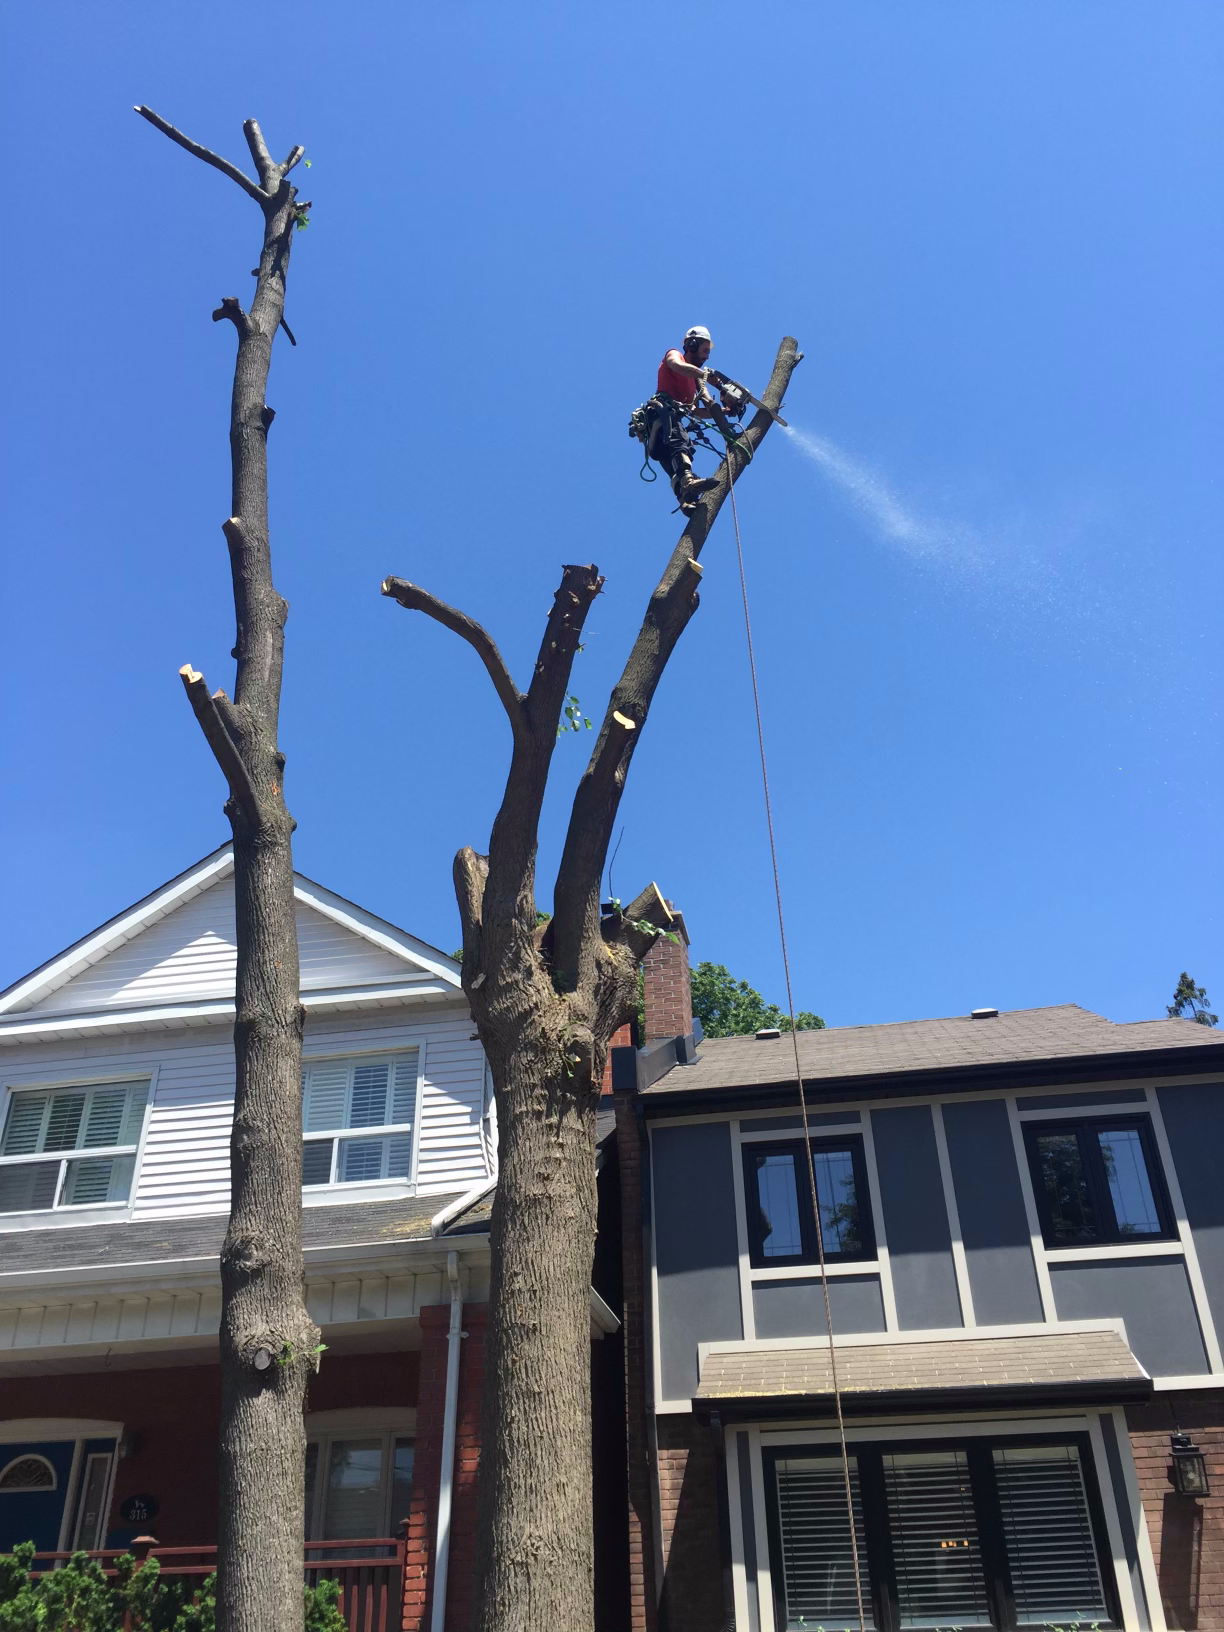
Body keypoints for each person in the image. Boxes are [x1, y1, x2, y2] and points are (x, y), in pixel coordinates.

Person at [645, 326, 740, 511]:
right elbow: (677, 366)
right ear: (691, 344)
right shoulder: (674, 355)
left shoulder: (696, 379)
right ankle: (689, 481)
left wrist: (726, 411)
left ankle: (686, 502)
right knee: (680, 441)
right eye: (705, 350)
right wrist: (704, 374)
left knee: (676, 460)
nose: (707, 357)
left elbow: (697, 411)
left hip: (665, 430)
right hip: (662, 415)